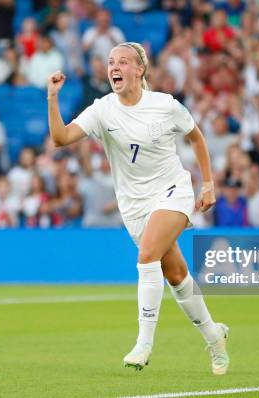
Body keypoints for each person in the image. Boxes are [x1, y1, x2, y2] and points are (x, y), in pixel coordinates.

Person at [46, 42, 229, 374]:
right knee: (175, 274)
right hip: (134, 205)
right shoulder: (103, 110)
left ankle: (144, 343)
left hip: (173, 190)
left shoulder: (165, 106)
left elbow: (197, 138)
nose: (114, 67)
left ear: (140, 70)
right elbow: (60, 138)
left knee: (147, 257)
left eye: (123, 61)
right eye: (111, 62)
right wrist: (52, 97)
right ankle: (214, 335)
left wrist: (207, 184)